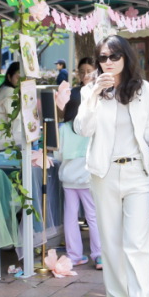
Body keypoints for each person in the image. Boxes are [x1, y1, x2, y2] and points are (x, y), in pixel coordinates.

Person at [74, 36, 149, 297]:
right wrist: (93, 94)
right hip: (103, 173)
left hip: (137, 172)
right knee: (111, 241)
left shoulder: (143, 89)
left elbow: (146, 128)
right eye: (103, 57)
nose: (108, 62)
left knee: (139, 243)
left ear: (126, 58)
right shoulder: (91, 90)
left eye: (114, 56)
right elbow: (83, 129)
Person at [58, 92, 100, 268]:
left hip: (68, 178)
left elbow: (58, 154)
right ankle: (99, 255)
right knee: (93, 216)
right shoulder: (91, 127)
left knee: (70, 216)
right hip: (87, 178)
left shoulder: (63, 128)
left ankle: (74, 256)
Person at [0, 62, 22, 143]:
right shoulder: (11, 93)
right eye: (18, 78)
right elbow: (16, 123)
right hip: (4, 143)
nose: (21, 82)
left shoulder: (3, 89)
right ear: (9, 77)